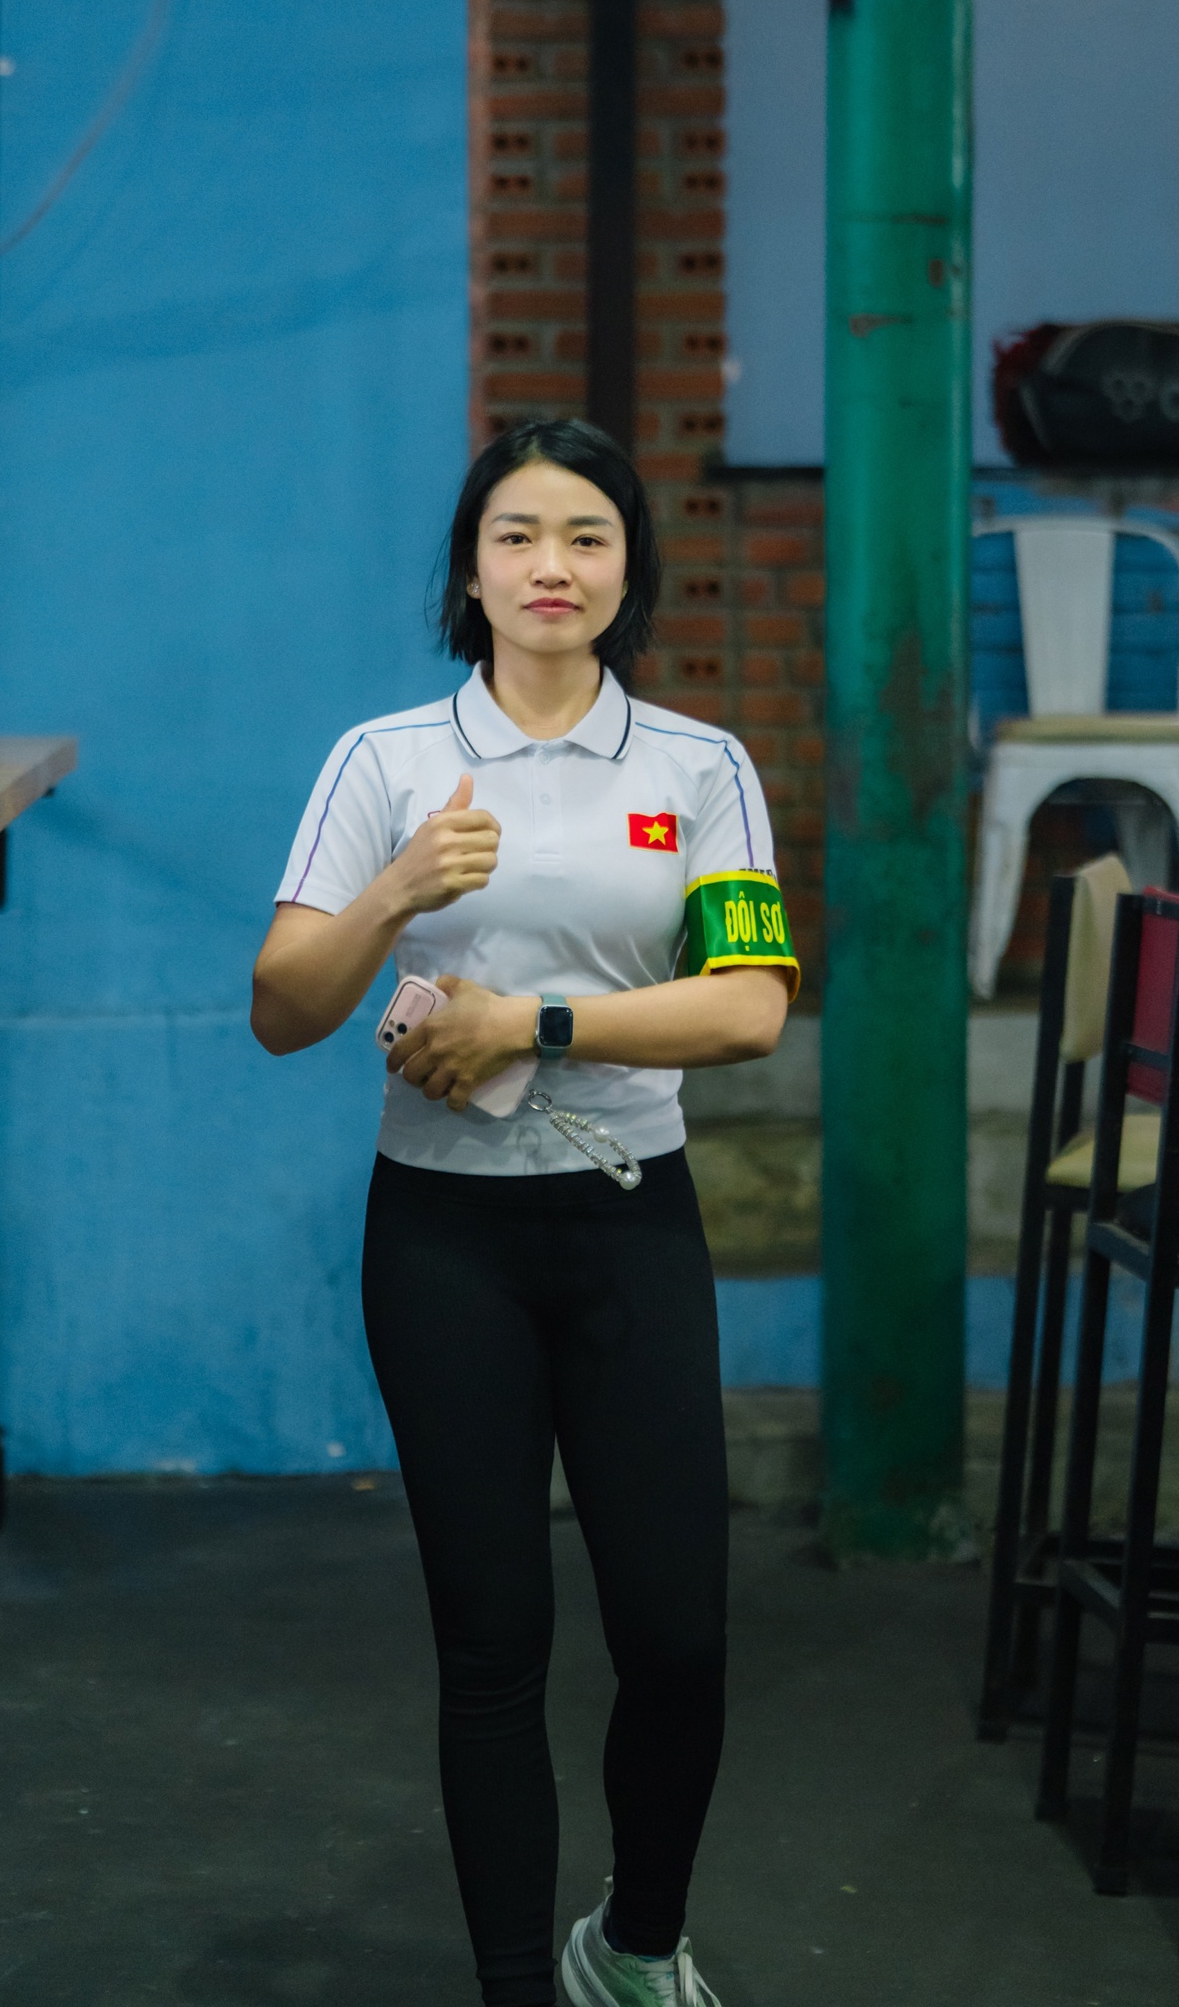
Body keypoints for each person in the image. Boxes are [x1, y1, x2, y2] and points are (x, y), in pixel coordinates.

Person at [251, 417, 798, 2007]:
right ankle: (510, 1987)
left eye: (584, 536)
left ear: (627, 569)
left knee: (676, 1637)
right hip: (443, 1242)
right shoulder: (383, 764)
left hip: (630, 1226)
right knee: (491, 1640)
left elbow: (748, 1006)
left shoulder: (698, 767)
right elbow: (282, 1009)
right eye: (516, 536)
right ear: (470, 571)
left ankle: (632, 1948)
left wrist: (530, 1025)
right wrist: (394, 891)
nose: (550, 566)